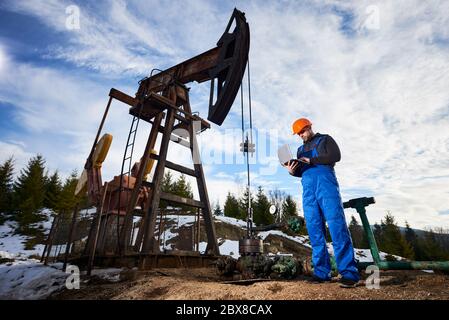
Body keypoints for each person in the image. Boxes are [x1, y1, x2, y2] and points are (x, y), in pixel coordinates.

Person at [284, 118, 360, 288]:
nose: (301, 135)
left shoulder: (325, 139)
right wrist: (292, 171)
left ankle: (349, 273)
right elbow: (302, 171)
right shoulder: (300, 149)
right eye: (299, 134)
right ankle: (321, 272)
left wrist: (312, 160)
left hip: (326, 187)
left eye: (303, 131)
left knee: (336, 227)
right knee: (314, 230)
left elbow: (335, 156)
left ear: (309, 127)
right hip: (308, 191)